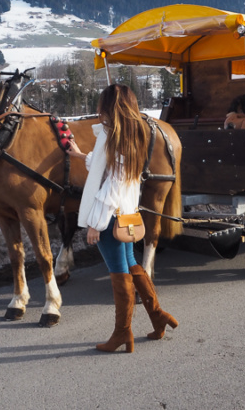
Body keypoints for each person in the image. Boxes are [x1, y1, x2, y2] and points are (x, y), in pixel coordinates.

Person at [66, 84, 178, 353]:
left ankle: (122, 333)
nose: (98, 108)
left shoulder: (112, 135)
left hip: (110, 218)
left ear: (108, 106)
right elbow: (107, 168)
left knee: (120, 274)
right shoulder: (131, 135)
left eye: (101, 103)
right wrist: (80, 155)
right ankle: (158, 316)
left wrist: (96, 223)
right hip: (127, 214)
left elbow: (113, 183)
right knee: (132, 266)